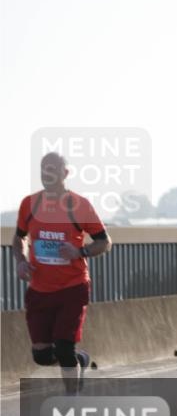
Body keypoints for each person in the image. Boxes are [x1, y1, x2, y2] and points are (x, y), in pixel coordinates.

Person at [12, 153, 111, 393]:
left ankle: (72, 399)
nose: (48, 173)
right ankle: (80, 361)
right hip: (39, 290)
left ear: (65, 173)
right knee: (42, 355)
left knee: (65, 348)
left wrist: (80, 251)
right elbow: (19, 237)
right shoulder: (30, 204)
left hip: (73, 288)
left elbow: (104, 242)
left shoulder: (79, 205)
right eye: (44, 169)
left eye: (53, 169)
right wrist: (21, 261)